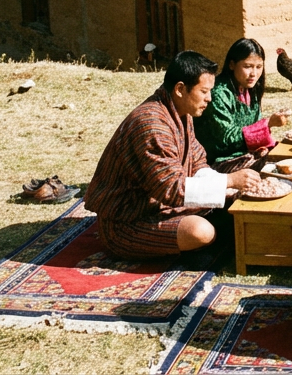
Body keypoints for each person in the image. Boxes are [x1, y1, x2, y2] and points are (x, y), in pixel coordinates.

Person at [85, 51, 260, 259]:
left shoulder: (180, 112)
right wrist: (229, 181)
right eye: (204, 91)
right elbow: (172, 190)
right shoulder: (151, 125)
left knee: (236, 196)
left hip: (161, 207)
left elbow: (197, 163)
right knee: (200, 231)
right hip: (128, 222)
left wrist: (228, 187)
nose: (209, 99)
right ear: (180, 89)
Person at [195, 38, 289, 173]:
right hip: (217, 162)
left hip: (244, 155)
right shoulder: (218, 93)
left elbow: (254, 125)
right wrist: (267, 124)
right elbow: (226, 139)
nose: (254, 74)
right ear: (232, 65)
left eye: (259, 67)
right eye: (247, 66)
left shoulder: (250, 90)